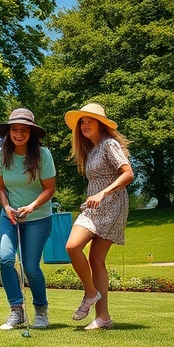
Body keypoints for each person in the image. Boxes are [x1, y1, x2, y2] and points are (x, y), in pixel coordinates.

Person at [63, 103, 133, 330]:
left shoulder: (109, 144)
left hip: (112, 205)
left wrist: (103, 193)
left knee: (86, 254)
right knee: (80, 251)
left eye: (89, 121)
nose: (84, 125)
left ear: (100, 124)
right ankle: (95, 302)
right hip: (94, 207)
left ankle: (99, 310)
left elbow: (128, 174)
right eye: (82, 122)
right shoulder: (92, 149)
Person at [0, 108, 56, 330]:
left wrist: (31, 206)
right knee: (5, 259)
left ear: (31, 133)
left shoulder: (43, 155)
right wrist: (6, 206)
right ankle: (16, 310)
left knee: (30, 267)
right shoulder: (0, 155)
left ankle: (41, 311)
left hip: (38, 217)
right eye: (15, 130)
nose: (19, 134)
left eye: (24, 130)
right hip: (9, 216)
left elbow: (49, 189)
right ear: (8, 132)